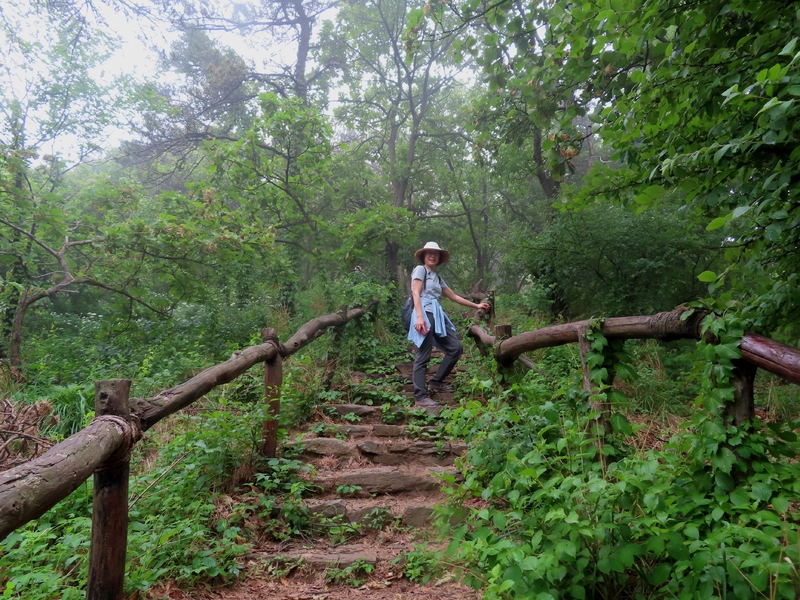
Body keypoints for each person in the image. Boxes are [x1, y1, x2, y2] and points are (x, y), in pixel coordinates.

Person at [407, 242, 491, 407]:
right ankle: (420, 398)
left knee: (455, 348)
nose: (432, 255)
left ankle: (436, 382)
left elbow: (454, 297)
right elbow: (415, 293)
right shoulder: (420, 270)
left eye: (435, 253)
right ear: (424, 256)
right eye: (429, 253)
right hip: (424, 313)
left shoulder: (437, 278)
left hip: (437, 315)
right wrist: (419, 317)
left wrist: (477, 305)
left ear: (439, 258)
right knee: (423, 355)